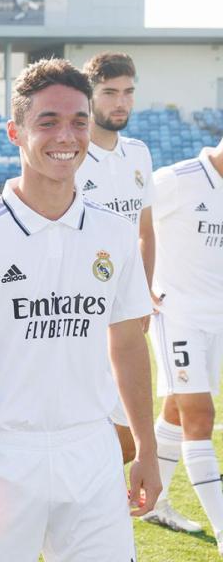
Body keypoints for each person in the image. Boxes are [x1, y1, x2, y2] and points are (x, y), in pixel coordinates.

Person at [0, 58, 159, 562]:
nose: (66, 136)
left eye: (79, 121)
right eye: (48, 121)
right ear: (16, 131)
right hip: (2, 456)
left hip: (93, 455)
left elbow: (127, 343)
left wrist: (145, 446)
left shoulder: (115, 233)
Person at [74, 52, 162, 462]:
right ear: (89, 97)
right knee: (79, 419)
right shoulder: (69, 154)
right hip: (78, 308)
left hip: (126, 308)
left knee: (128, 432)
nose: (120, 102)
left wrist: (142, 293)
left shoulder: (140, 153)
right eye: (109, 92)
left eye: (128, 92)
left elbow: (145, 231)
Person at [143, 137, 223, 549]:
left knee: (176, 410)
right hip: (177, 316)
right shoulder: (178, 179)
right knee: (199, 416)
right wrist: (138, 282)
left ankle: (153, 501)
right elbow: (126, 218)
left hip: (215, 322)